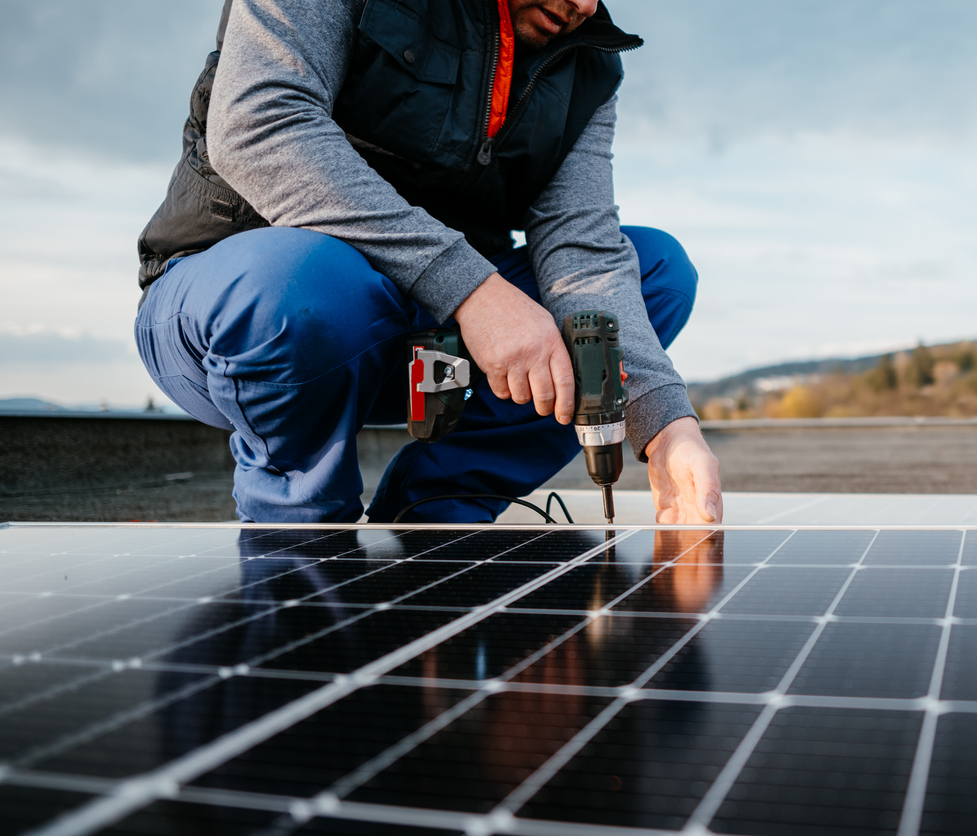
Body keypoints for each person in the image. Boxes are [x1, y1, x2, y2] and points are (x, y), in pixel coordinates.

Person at [133, 0, 723, 525]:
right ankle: (301, 530)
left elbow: (583, 249)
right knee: (300, 279)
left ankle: (436, 508)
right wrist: (475, 293)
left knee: (657, 271)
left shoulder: (586, 64)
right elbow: (262, 124)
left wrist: (664, 423)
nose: (583, 6)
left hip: (431, 351)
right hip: (248, 319)